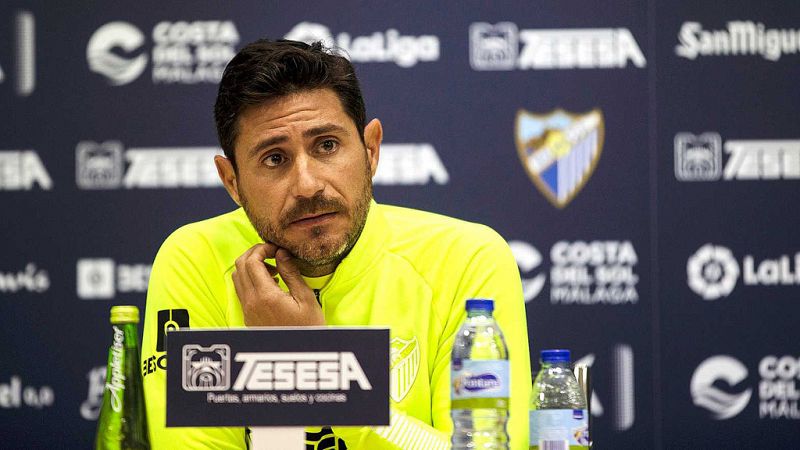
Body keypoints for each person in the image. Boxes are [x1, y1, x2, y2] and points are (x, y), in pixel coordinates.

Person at [141, 39, 531, 450]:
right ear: (232, 181)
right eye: (274, 158)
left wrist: (317, 368)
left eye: (326, 145)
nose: (307, 185)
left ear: (371, 149)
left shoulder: (466, 259)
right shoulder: (195, 260)